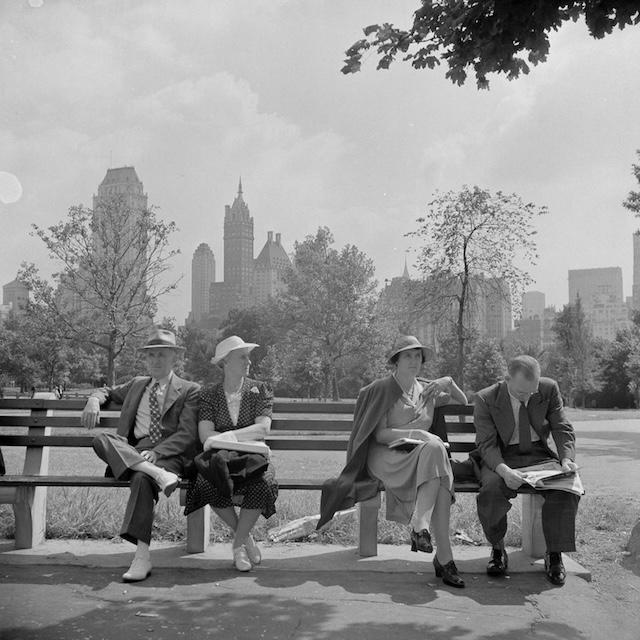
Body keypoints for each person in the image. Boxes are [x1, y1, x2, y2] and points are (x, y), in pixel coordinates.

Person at [318, 335, 468, 588]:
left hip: (419, 456)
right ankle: (441, 555)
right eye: (407, 355)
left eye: (418, 356)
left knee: (436, 461)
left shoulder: (428, 389)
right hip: (385, 455)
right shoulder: (382, 389)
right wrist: (416, 433)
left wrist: (448, 381)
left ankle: (427, 537)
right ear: (395, 361)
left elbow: (463, 401)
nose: (414, 360)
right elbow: (379, 434)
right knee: (436, 458)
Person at [81, 328, 200, 582]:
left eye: (162, 355)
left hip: (170, 454)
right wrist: (93, 399)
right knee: (101, 439)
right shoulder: (136, 385)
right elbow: (107, 391)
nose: (156, 360)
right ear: (146, 359)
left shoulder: (190, 390)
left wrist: (157, 453)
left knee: (140, 479)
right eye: (151, 355)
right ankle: (156, 474)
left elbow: (187, 434)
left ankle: (141, 556)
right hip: (135, 452)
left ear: (174, 358)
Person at [473, 355, 580, 586]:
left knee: (566, 485)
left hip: (538, 455)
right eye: (522, 393)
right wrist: (503, 470)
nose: (528, 397)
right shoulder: (486, 398)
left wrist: (566, 460)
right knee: (491, 488)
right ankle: (498, 549)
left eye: (532, 392)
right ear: (506, 379)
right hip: (502, 456)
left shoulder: (548, 389)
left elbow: (561, 427)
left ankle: (554, 554)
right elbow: (486, 445)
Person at [184, 335, 278, 572]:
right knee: (206, 483)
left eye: (249, 357)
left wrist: (226, 436)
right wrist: (227, 438)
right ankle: (244, 539)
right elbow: (205, 435)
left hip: (253, 458)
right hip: (219, 458)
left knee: (263, 484)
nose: (249, 362)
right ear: (225, 362)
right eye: (242, 357)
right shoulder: (209, 394)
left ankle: (236, 545)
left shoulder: (259, 389)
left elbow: (263, 428)